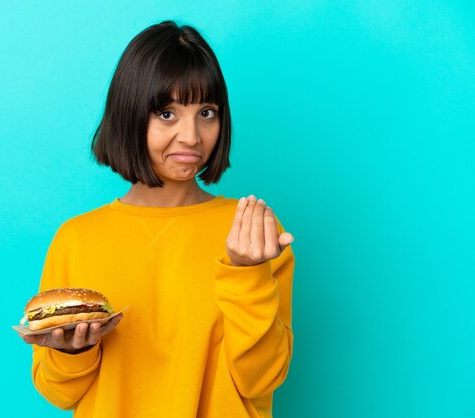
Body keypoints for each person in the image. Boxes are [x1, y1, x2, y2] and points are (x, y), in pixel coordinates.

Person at [19, 20, 295, 418]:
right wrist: (73, 352)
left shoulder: (251, 233)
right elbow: (59, 394)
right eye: (167, 113)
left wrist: (248, 273)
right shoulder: (77, 238)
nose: (191, 136)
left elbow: (263, 379)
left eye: (206, 112)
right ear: (131, 115)